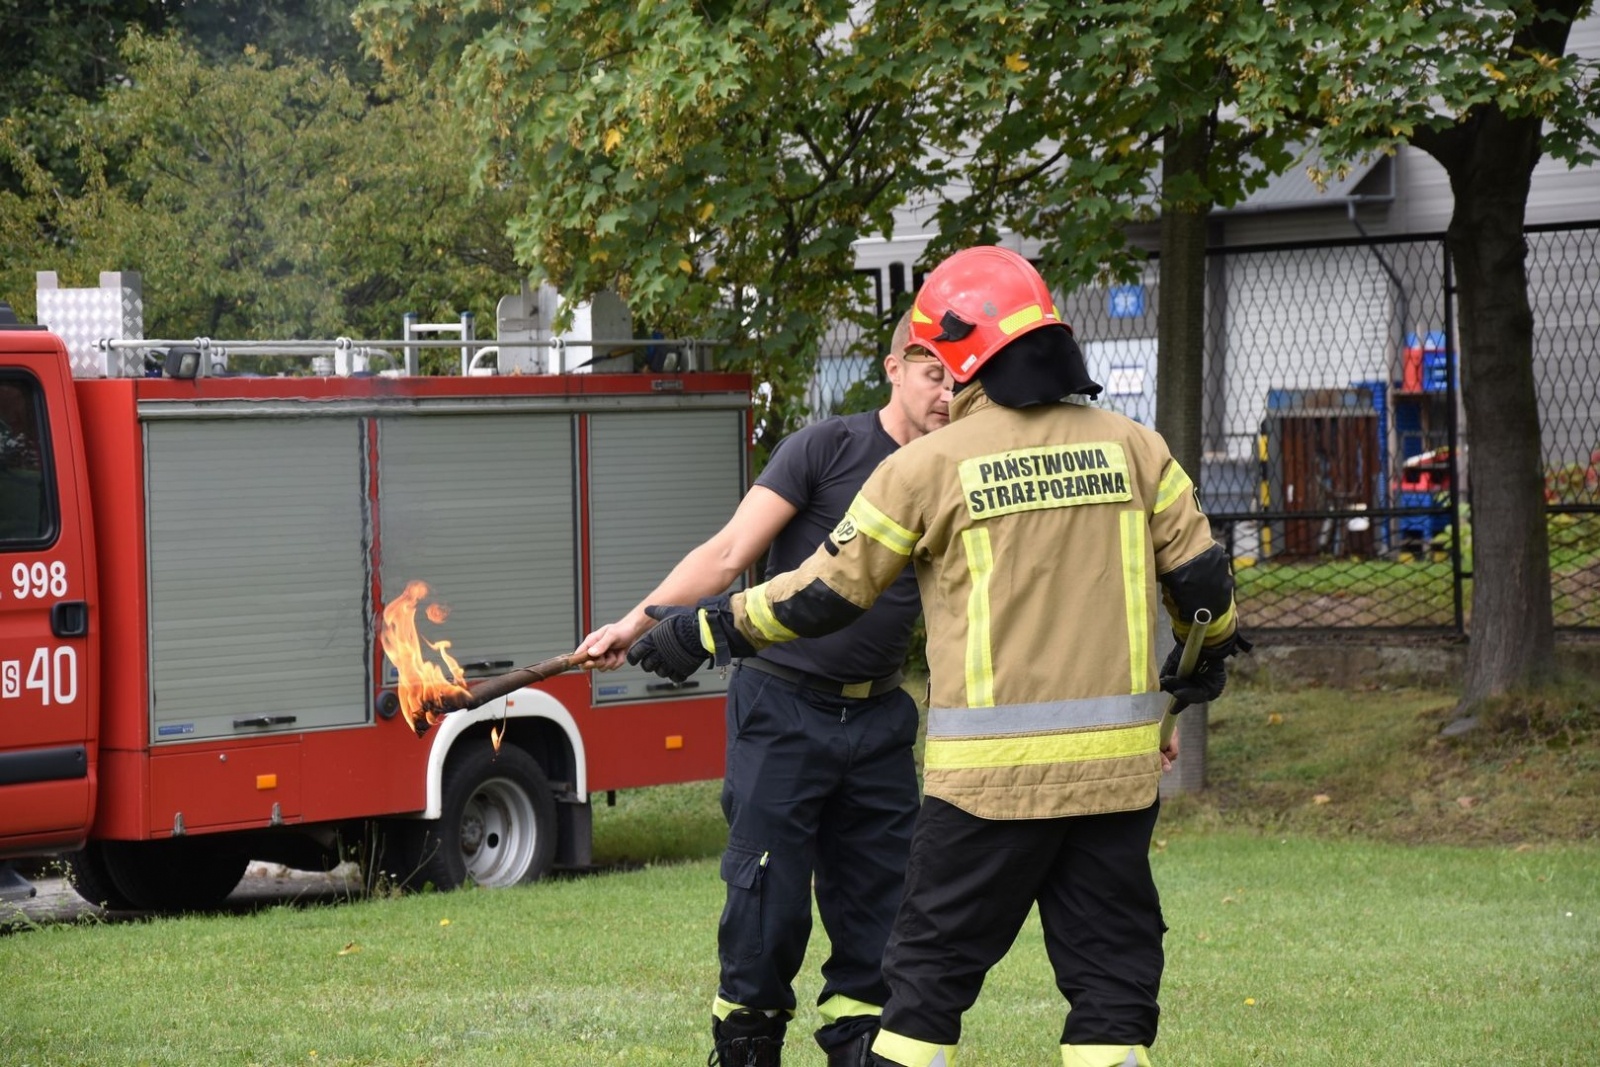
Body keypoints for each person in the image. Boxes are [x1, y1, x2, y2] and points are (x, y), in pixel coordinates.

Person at [627, 246, 1247, 1067]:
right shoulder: (1136, 447)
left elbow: (822, 594)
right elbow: (1208, 595)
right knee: (1112, 993)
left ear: (961, 358)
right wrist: (1192, 676)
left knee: (921, 992)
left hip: (985, 788)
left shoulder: (926, 466)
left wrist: (702, 630)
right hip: (1114, 781)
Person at [575, 310, 955, 1067]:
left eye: (957, 377)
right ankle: (746, 1050)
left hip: (880, 718)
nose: (946, 392)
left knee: (879, 917)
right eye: (930, 372)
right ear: (894, 370)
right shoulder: (826, 447)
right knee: (766, 908)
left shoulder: (952, 474)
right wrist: (637, 621)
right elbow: (726, 554)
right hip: (782, 709)